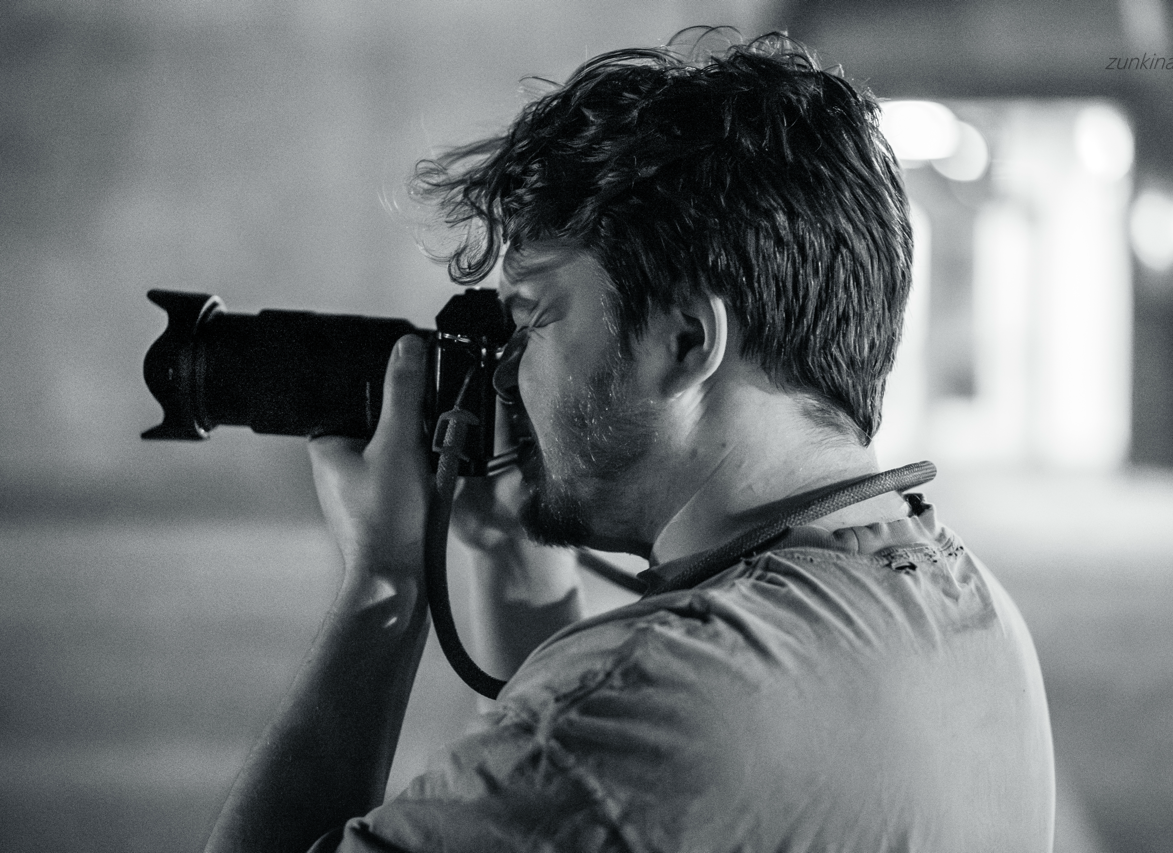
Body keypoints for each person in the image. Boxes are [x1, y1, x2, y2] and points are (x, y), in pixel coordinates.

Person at [204, 30, 1055, 853]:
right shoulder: (970, 608)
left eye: (535, 317)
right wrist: (516, 558)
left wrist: (382, 585)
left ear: (686, 340)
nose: (504, 375)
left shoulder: (638, 711)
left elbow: (590, 768)